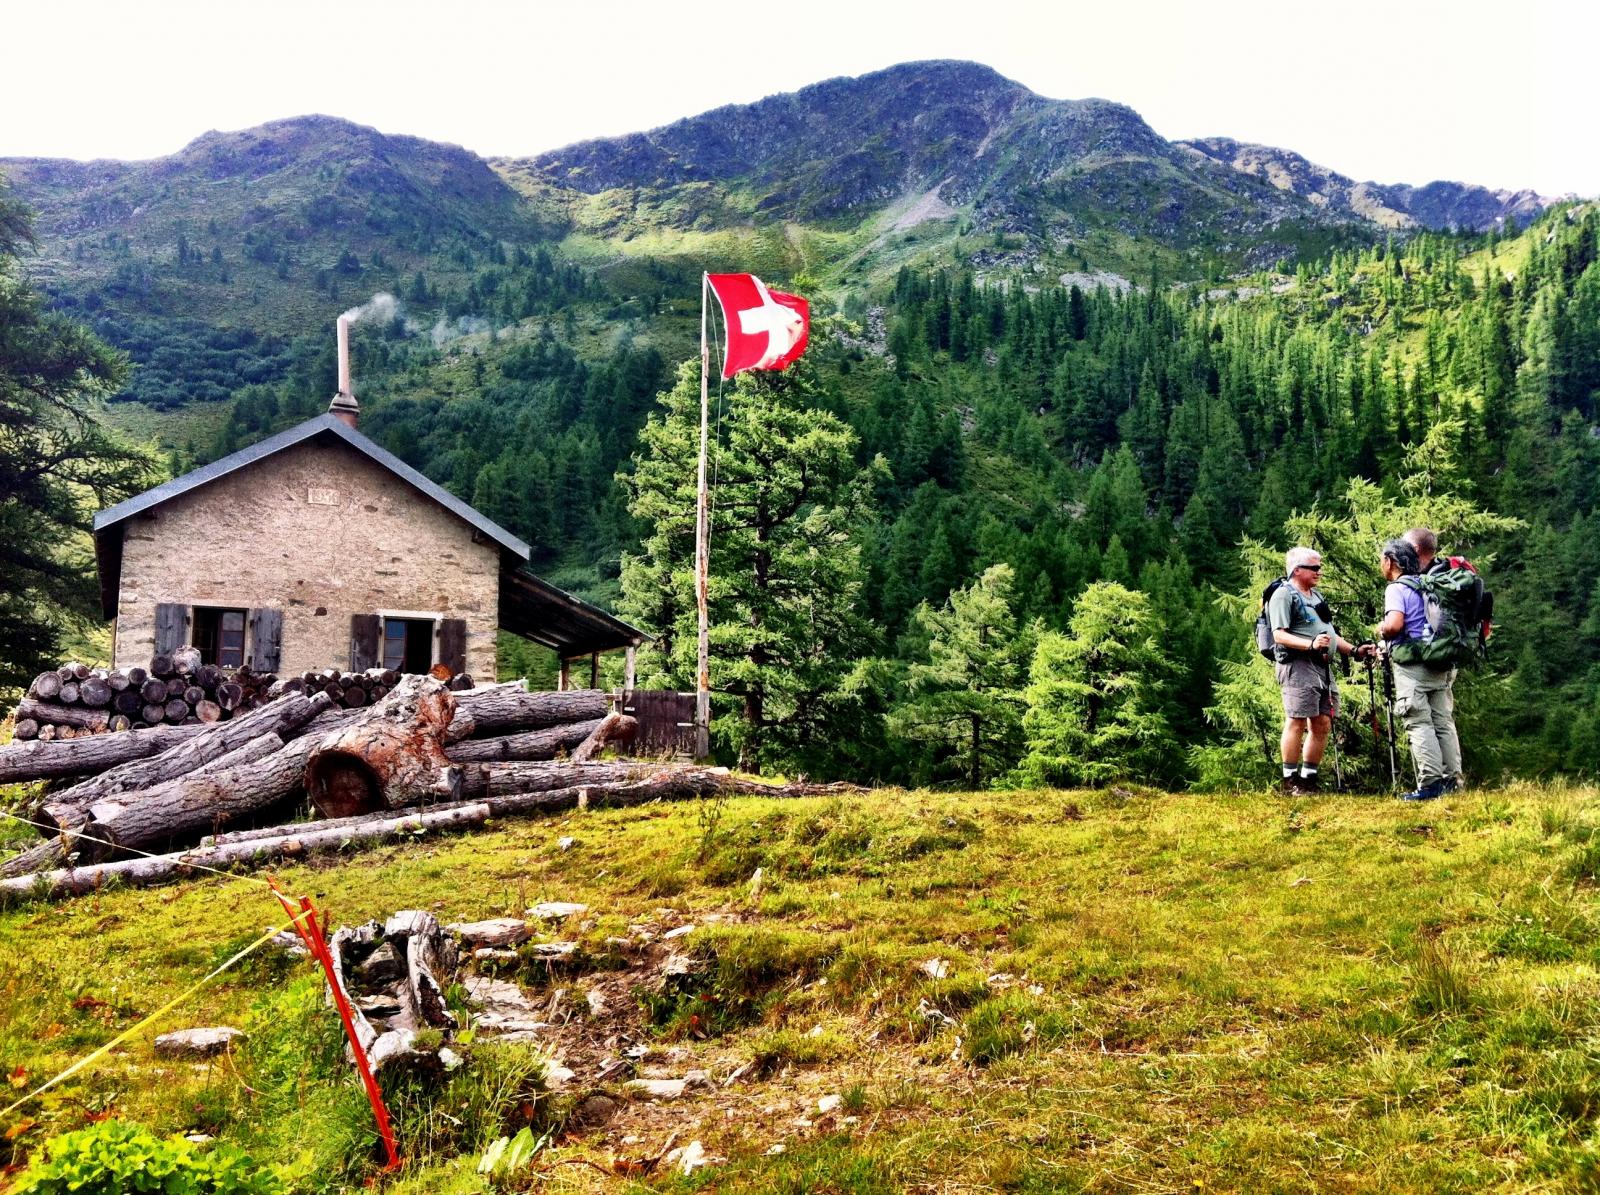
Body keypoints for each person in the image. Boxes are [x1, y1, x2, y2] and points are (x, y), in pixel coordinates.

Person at [1270, 547, 1373, 793]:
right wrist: (1311, 645)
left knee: (1322, 722)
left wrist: (1354, 651)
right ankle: (1289, 781)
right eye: (1314, 568)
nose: (1320, 571)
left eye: (1320, 567)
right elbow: (1279, 635)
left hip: (1322, 665)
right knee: (1296, 720)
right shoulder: (1284, 595)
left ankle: (1308, 780)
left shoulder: (1315, 596)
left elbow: (1331, 634)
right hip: (1297, 664)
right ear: (1297, 570)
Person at [1380, 534, 1463, 800]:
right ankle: (1453, 781)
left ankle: (1430, 785)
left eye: (1382, 560)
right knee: (1443, 722)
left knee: (1419, 723)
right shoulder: (1429, 583)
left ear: (1391, 561)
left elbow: (1394, 625)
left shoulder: (1396, 589)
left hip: (1413, 665)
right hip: (1440, 662)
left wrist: (1381, 630)